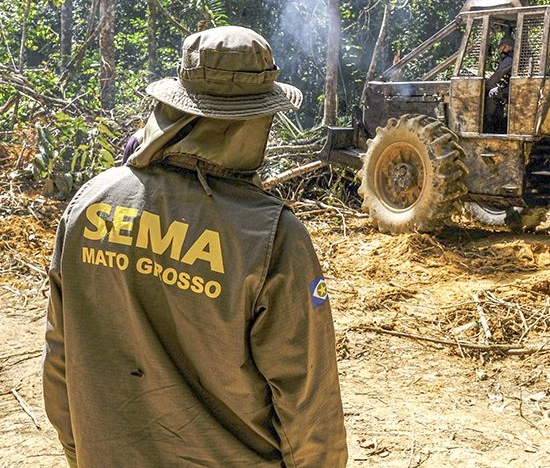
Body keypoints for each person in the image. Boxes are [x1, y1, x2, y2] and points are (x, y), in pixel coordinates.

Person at [42, 26, 348, 467]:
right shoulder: (273, 237)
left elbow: (60, 362)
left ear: (175, 107)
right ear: (256, 121)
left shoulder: (90, 204)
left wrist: (81, 454)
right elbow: (309, 407)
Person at [483, 35, 514, 133]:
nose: (499, 50)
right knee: (499, 92)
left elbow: (497, 75)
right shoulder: (516, 57)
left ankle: (488, 124)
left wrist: (485, 87)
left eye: (500, 47)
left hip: (515, 88)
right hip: (516, 86)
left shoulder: (509, 59)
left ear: (506, 47)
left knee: (493, 93)